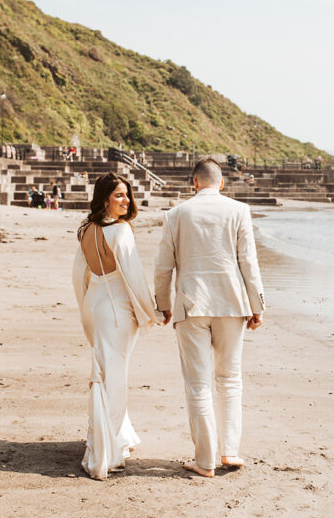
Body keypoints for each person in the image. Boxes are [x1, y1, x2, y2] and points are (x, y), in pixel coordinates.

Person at [154, 158, 265, 478]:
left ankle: (204, 461)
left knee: (198, 383)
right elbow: (249, 264)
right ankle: (230, 451)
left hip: (191, 305)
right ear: (222, 184)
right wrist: (257, 306)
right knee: (230, 379)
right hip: (232, 303)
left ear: (194, 183)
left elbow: (163, 266)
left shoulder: (175, 214)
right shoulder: (239, 211)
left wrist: (163, 305)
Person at [72, 173, 161, 479]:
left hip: (95, 304)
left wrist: (85, 306)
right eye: (119, 195)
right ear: (105, 198)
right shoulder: (120, 231)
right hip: (116, 310)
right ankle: (106, 451)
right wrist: (153, 312)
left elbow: (79, 273)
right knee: (116, 377)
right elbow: (134, 276)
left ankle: (110, 438)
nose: (126, 201)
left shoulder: (86, 229)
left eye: (127, 195)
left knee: (101, 374)